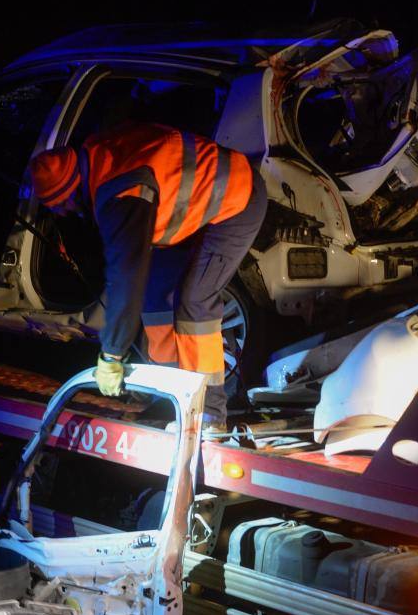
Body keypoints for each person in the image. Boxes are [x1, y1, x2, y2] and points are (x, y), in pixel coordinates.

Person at [29, 121, 267, 436]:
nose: (63, 215)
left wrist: (111, 353)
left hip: (238, 198)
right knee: (157, 300)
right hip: (190, 208)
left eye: (60, 207)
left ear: (67, 192)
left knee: (194, 301)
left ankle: (210, 415)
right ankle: (177, 398)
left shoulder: (119, 194)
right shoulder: (95, 153)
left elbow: (126, 280)